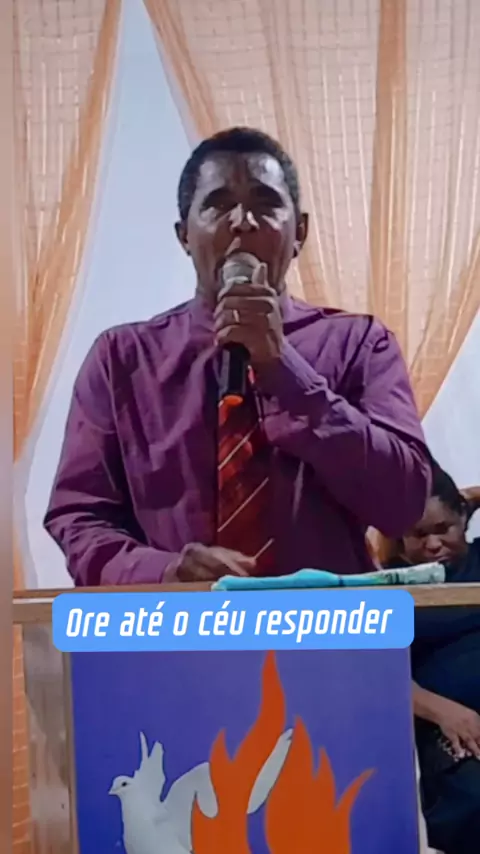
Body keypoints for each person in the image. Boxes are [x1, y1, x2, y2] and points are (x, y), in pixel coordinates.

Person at [44, 127, 430, 586]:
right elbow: (79, 517)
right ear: (184, 235)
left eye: (266, 204)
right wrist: (162, 571)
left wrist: (286, 371)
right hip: (175, 622)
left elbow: (404, 504)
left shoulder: (361, 344)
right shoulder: (121, 360)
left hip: (328, 623)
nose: (243, 221)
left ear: (300, 232)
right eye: (218, 204)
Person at [385, 464, 480, 854]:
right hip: (452, 728)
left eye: (444, 529)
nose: (434, 544)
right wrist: (442, 711)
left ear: (463, 518)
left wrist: (473, 497)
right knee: (474, 799)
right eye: (419, 535)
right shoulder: (386, 585)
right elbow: (377, 672)